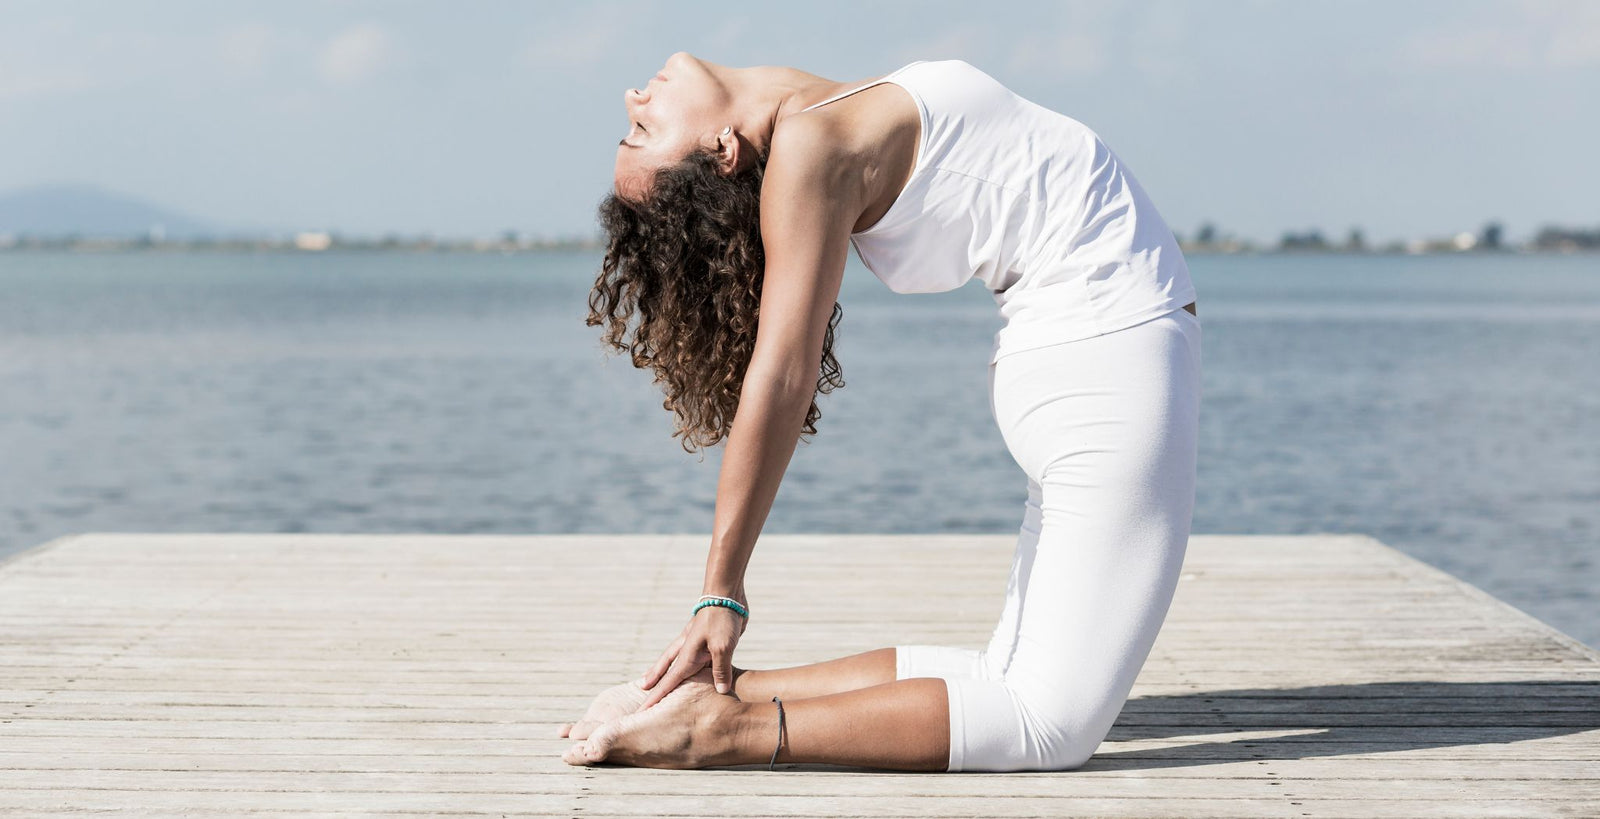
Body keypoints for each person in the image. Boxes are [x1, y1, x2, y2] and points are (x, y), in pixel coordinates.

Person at [563, 52, 1201, 772]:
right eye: (640, 132)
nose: (632, 99)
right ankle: (720, 732)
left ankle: (721, 694)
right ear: (722, 151)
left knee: (1005, 677)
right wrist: (721, 588)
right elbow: (780, 373)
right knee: (1047, 722)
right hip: (1103, 358)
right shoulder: (813, 147)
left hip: (1084, 358)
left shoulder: (825, 117)